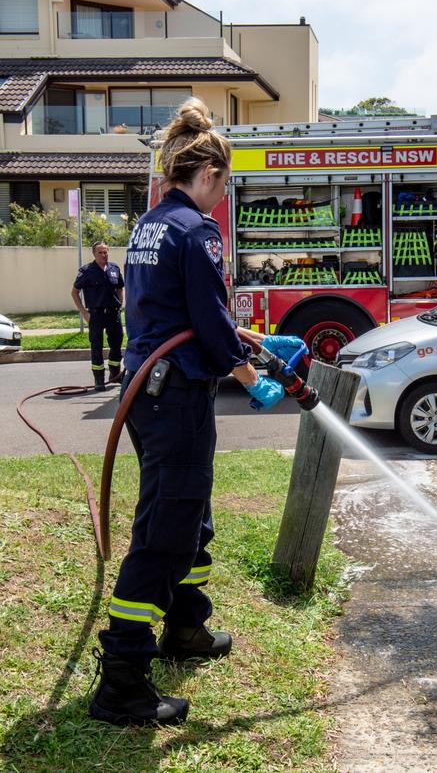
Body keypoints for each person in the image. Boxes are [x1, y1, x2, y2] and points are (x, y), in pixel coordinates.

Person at [89, 97, 304, 727]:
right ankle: (123, 681)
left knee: (191, 514)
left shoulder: (150, 224)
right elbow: (209, 327)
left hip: (148, 391)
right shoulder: (198, 230)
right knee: (166, 534)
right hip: (176, 394)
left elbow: (174, 314)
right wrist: (247, 370)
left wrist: (246, 343)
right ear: (206, 174)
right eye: (226, 185)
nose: (224, 198)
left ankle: (185, 626)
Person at [71, 241, 124, 391]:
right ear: (94, 254)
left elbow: (120, 288)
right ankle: (99, 379)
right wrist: (84, 313)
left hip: (113, 314)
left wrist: (120, 304)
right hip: (96, 315)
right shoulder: (87, 270)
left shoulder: (114, 268)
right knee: (96, 346)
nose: (103, 255)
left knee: (116, 344)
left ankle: (115, 374)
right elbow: (74, 292)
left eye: (105, 252)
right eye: (100, 252)